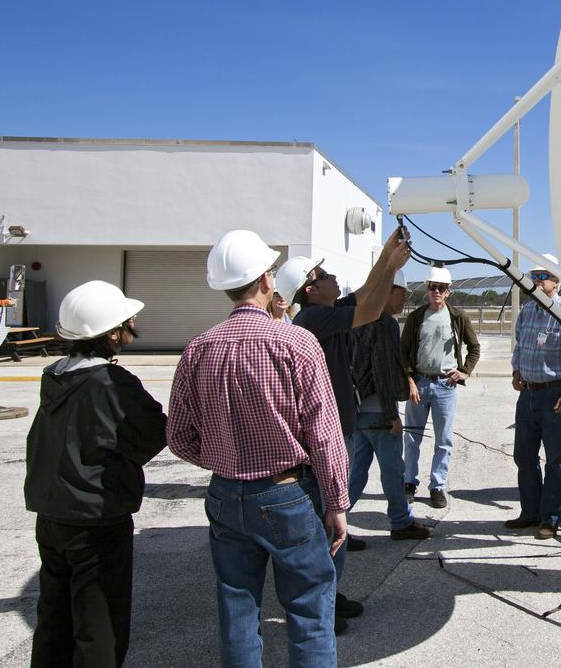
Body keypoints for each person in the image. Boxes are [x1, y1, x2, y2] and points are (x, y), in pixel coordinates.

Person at [167, 229, 351, 668]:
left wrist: (223, 458)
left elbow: (178, 436)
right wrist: (338, 502)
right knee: (308, 608)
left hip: (226, 492)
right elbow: (323, 434)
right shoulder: (294, 343)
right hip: (286, 493)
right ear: (268, 281)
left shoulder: (198, 348)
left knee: (237, 607)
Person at [25, 280, 167, 668]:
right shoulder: (111, 383)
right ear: (111, 332)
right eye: (125, 319)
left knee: (54, 615)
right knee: (100, 621)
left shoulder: (55, 375)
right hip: (96, 518)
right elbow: (152, 433)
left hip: (52, 513)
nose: (132, 323)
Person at [275, 231, 412, 615]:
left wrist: (388, 256)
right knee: (326, 521)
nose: (332, 276)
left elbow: (369, 293)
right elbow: (371, 308)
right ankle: (323, 606)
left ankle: (328, 598)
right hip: (327, 432)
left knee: (329, 516)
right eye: (323, 275)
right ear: (310, 291)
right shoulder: (315, 318)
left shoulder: (325, 313)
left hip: (338, 427)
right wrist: (392, 265)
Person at [505, 257, 561, 538]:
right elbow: (518, 345)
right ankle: (530, 513)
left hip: (555, 396)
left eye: (544, 275)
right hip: (527, 396)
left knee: (554, 459)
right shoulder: (527, 312)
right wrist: (516, 370)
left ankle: (550, 519)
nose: (537, 280)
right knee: (524, 456)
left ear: (557, 281)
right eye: (534, 274)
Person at [347, 269, 431, 539]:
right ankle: (401, 522)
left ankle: (331, 520)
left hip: (360, 412)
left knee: (356, 472)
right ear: (386, 292)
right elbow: (382, 371)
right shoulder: (384, 324)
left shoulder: (360, 320)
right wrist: (392, 414)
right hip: (378, 413)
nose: (404, 299)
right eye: (401, 293)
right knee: (394, 470)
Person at [399, 265, 481, 509]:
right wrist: (410, 380)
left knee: (443, 439)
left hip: (446, 385)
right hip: (420, 385)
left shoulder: (457, 317)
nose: (436, 291)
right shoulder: (416, 318)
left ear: (448, 292)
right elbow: (403, 353)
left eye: (441, 288)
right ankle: (409, 482)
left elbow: (473, 347)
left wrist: (464, 370)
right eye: (432, 287)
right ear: (427, 290)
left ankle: (437, 485)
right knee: (412, 437)